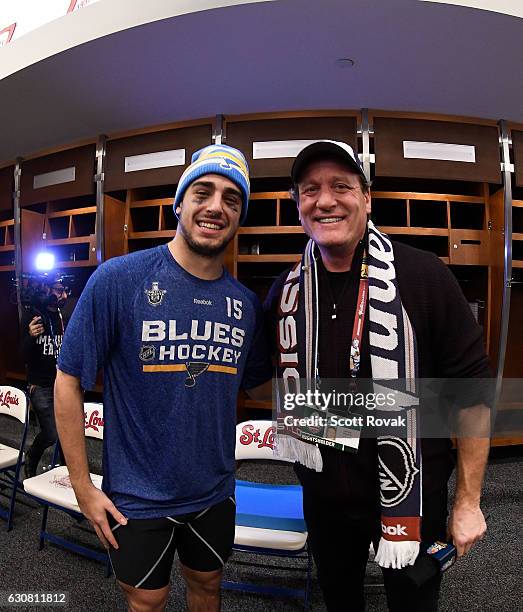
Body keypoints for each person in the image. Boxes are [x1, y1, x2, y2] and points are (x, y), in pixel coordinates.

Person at [264, 140, 491, 612]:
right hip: (324, 494)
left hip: (410, 491)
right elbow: (247, 368)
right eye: (310, 190)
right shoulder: (285, 291)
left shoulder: (424, 275)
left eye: (341, 187)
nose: (325, 200)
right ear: (297, 206)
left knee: (411, 605)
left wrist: (468, 502)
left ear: (367, 198)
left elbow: (472, 396)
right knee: (341, 601)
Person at [54, 144, 272, 612]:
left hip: (214, 492)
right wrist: (82, 487)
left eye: (232, 200)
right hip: (137, 496)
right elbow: (68, 379)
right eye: (203, 192)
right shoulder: (119, 279)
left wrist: (343, 388)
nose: (216, 206)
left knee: (208, 587)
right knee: (147, 601)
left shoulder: (246, 304)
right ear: (179, 203)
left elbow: (261, 387)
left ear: (239, 217)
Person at [21, 275, 69, 478]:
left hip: (63, 383)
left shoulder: (62, 315)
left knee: (68, 430)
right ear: (46, 291)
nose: (64, 295)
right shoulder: (33, 316)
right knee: (51, 433)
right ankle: (31, 458)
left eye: (65, 290)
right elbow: (22, 355)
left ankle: (68, 471)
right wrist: (30, 337)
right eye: (58, 290)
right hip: (40, 385)